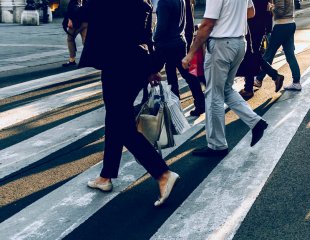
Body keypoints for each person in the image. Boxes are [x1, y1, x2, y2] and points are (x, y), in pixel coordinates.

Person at [78, 0, 179, 207]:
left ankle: (162, 173)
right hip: (137, 63)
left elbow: (80, 14)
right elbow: (145, 34)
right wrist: (151, 67)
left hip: (118, 65)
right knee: (115, 119)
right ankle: (106, 176)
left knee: (121, 125)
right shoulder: (142, 3)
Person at [182, 0, 269, 157]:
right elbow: (251, 12)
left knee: (214, 95)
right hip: (238, 43)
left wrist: (191, 53)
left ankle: (217, 145)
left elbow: (207, 24)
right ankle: (256, 122)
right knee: (226, 89)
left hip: (221, 44)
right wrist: (232, 19)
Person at [153, 0, 206, 116]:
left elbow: (161, 27)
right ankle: (199, 102)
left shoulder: (164, 2)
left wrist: (154, 39)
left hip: (166, 44)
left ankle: (176, 107)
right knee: (186, 74)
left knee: (169, 75)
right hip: (179, 41)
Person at [237, 0, 285, 100]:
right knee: (251, 55)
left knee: (251, 55)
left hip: (252, 26)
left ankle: (250, 88)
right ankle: (250, 87)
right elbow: (268, 7)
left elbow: (249, 10)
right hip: (260, 25)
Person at [257, 0, 303, 91]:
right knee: (290, 55)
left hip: (281, 25)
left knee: (269, 54)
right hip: (290, 23)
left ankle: (258, 79)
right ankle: (296, 82)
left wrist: (270, 7)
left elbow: (280, 11)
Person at [62, 0, 88, 67]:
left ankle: (72, 60)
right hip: (85, 23)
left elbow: (69, 11)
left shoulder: (73, 1)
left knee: (70, 39)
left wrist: (70, 20)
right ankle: (88, 59)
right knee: (86, 41)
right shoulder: (86, 1)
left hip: (76, 24)